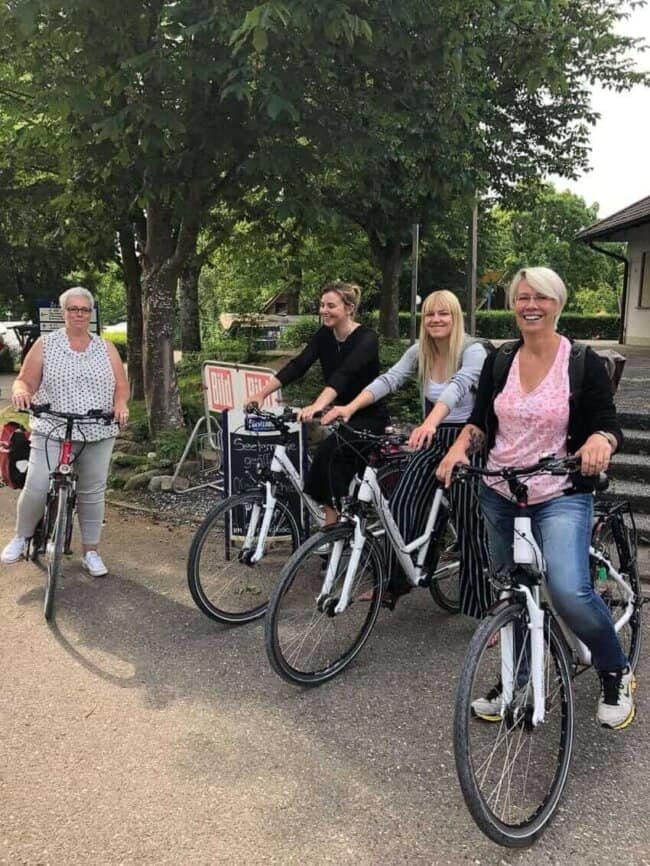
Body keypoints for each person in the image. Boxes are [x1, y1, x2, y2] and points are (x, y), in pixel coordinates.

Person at [437, 266, 633, 730]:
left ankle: (614, 671)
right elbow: (482, 421)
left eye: (540, 298)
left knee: (568, 589)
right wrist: (459, 449)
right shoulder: (499, 360)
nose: (530, 305)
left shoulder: (581, 362)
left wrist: (601, 441)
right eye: (522, 297)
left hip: (559, 491)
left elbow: (609, 424)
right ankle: (516, 680)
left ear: (557, 304)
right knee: (512, 591)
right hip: (501, 490)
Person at [322, 289, 492, 617]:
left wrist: (428, 423)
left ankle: (486, 609)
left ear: (457, 317)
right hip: (433, 435)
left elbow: (459, 386)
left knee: (472, 521)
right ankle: (394, 582)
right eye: (430, 314)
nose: (436, 320)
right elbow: (389, 379)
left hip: (470, 438)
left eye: (444, 314)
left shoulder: (473, 351)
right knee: (400, 504)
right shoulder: (420, 351)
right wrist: (349, 406)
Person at [1, 287, 129, 577]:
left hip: (98, 428)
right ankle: (21, 537)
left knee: (92, 491)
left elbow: (121, 386)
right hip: (52, 426)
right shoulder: (46, 345)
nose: (79, 314)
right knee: (36, 483)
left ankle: (91, 552)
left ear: (91, 313)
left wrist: (121, 406)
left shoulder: (106, 347)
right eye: (73, 309)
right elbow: (25, 381)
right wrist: (21, 393)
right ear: (64, 313)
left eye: (85, 309)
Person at [248, 281, 389, 526]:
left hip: (367, 417)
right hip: (336, 413)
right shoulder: (325, 335)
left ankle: (331, 533)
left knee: (329, 455)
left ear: (349, 308)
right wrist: (261, 394)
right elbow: (299, 365)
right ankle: (334, 526)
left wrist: (317, 404)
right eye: (322, 305)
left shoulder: (367, 338)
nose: (324, 310)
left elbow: (343, 375)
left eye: (331, 305)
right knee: (323, 460)